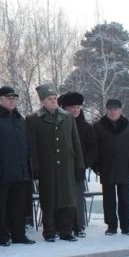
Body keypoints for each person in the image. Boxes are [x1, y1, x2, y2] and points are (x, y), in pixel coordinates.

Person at [26, 83, 84, 242]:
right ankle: (50, 231)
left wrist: (79, 165)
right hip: (47, 166)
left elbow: (75, 143)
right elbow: (33, 146)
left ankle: (66, 231)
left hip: (66, 165)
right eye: (49, 99)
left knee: (67, 198)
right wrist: (35, 167)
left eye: (54, 98)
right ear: (42, 101)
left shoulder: (68, 117)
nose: (53, 101)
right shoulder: (33, 119)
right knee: (49, 199)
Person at [0, 86, 35, 246]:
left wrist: (28, 168)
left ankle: (19, 234)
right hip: (2, 173)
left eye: (14, 98)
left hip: (20, 172)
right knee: (0, 206)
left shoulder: (20, 119)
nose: (12, 101)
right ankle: (1, 235)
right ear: (0, 100)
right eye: (9, 98)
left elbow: (27, 146)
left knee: (18, 206)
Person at [93, 99, 129, 235]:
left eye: (115, 109)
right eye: (110, 109)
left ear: (121, 111)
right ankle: (111, 226)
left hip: (124, 167)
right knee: (108, 200)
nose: (113, 112)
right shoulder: (98, 126)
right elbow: (95, 147)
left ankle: (126, 226)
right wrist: (96, 164)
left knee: (125, 199)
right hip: (106, 167)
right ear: (106, 111)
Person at [58, 92, 98, 238]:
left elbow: (93, 148)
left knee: (77, 198)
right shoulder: (58, 125)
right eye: (71, 107)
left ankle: (79, 226)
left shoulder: (87, 127)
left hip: (78, 168)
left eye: (77, 107)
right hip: (61, 168)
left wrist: (84, 164)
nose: (75, 110)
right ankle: (61, 225)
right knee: (61, 198)